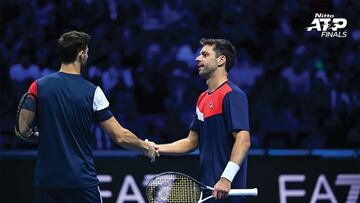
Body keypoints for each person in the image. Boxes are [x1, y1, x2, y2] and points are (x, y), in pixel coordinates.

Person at [16, 31, 159, 203]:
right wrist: (145, 147)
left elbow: (24, 130)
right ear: (81, 53)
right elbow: (120, 136)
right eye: (87, 51)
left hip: (47, 182)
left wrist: (47, 136)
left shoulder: (38, 86)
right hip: (81, 182)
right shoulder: (92, 91)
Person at [155, 38, 251, 202]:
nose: (197, 59)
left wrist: (226, 178)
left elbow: (243, 139)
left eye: (205, 55)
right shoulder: (202, 99)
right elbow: (191, 142)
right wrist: (157, 148)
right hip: (208, 192)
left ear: (221, 60)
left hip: (228, 193)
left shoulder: (232, 94)